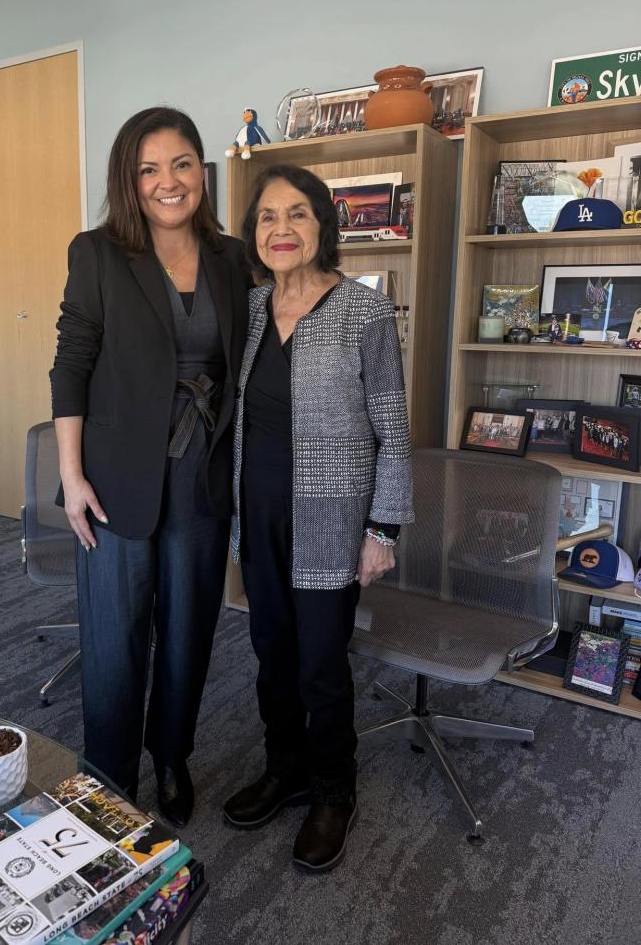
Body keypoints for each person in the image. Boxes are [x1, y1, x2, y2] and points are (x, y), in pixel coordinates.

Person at [50, 107, 250, 826]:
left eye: (182, 163)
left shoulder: (232, 258)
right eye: (148, 168)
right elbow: (71, 364)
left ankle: (171, 754)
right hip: (113, 476)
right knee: (114, 636)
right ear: (129, 181)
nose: (168, 181)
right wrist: (71, 478)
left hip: (201, 473)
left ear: (203, 170)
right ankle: (107, 776)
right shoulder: (98, 252)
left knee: (189, 628)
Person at [223, 164, 413, 871]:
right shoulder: (246, 311)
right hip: (260, 516)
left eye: (297, 214)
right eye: (267, 216)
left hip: (333, 522)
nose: (281, 229)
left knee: (321, 666)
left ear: (323, 226)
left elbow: (393, 428)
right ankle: (287, 767)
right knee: (271, 654)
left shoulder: (363, 312)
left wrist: (382, 528)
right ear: (254, 233)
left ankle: (336, 788)